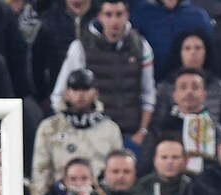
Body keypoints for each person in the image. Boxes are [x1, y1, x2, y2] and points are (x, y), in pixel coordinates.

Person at [50, 0, 156, 151]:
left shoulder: (141, 46)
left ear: (127, 15)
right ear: (99, 16)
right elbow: (59, 95)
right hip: (93, 134)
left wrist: (142, 132)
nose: (114, 21)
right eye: (108, 15)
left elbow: (148, 94)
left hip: (131, 134)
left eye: (119, 14)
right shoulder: (80, 47)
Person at [31, 67, 123, 195]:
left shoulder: (110, 129)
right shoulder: (49, 127)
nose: (80, 94)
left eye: (86, 89)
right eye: (75, 89)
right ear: (67, 93)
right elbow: (40, 171)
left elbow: (116, 169)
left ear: (95, 93)